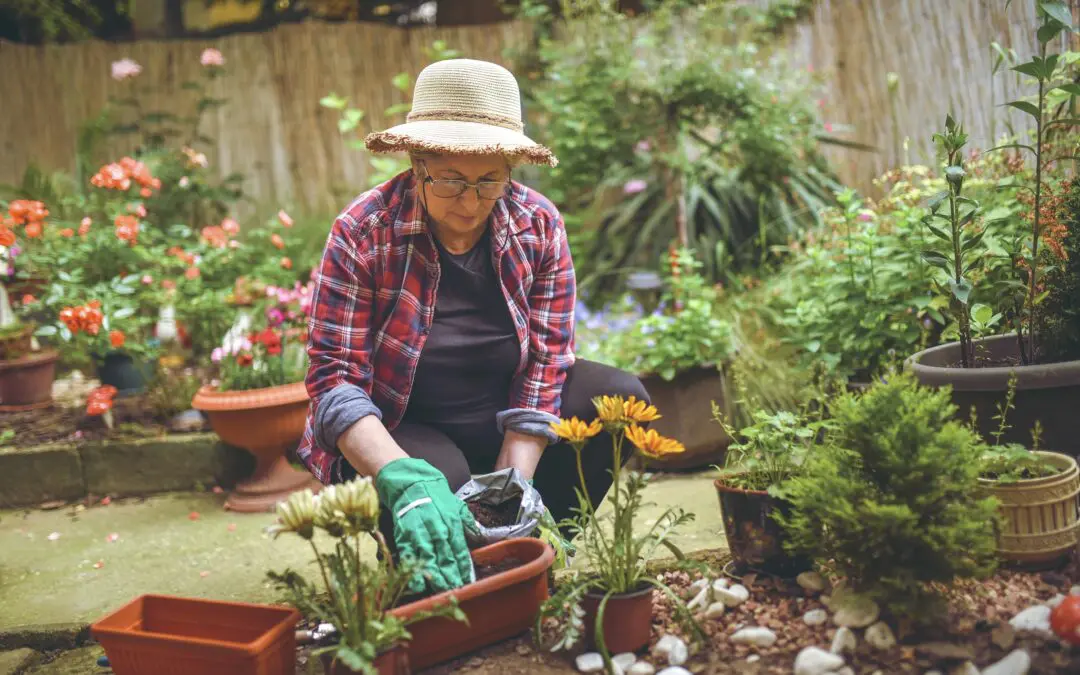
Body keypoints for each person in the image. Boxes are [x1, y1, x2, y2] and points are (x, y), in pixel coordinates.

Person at [295, 58, 650, 594]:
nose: (472, 202)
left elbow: (549, 356)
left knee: (619, 398)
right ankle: (438, 556)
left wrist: (516, 482)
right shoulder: (364, 231)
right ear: (417, 164)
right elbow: (333, 378)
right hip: (403, 428)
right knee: (438, 492)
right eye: (452, 181)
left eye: (490, 181)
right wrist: (401, 477)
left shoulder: (537, 224)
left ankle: (529, 551)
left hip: (502, 416)